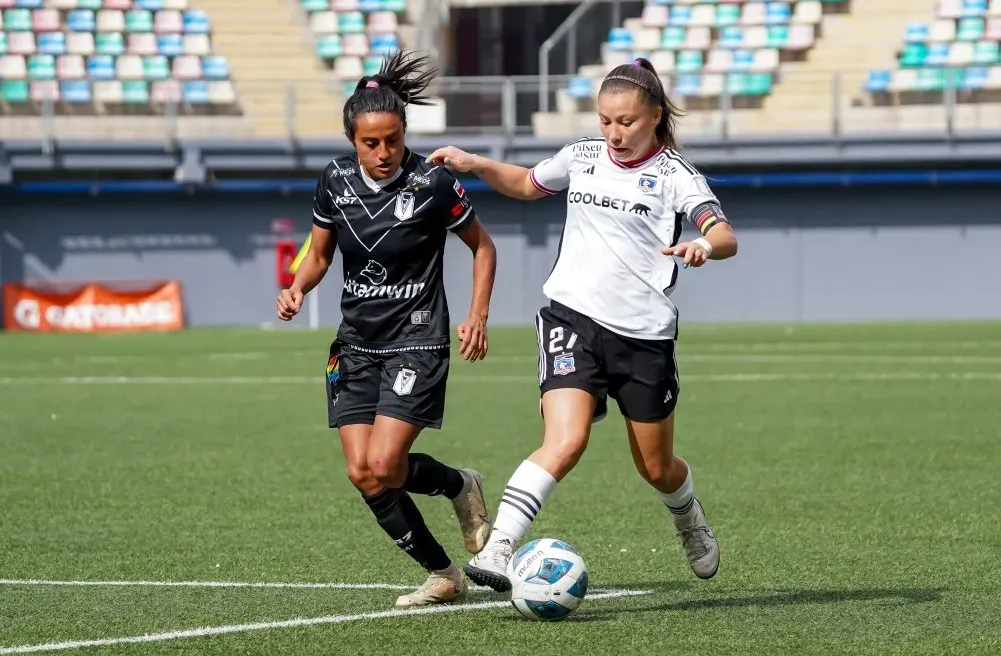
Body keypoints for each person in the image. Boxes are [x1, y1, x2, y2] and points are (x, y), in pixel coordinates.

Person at [428, 58, 738, 592]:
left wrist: (703, 244)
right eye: (606, 120)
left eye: (627, 122)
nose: (615, 133)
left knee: (657, 467)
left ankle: (688, 517)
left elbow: (725, 233)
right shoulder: (582, 156)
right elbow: (527, 183)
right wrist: (476, 163)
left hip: (644, 339)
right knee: (565, 441)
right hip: (571, 319)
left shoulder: (676, 177)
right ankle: (500, 546)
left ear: (656, 117)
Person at [277, 50, 498, 608]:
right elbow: (319, 254)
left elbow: (483, 248)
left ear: (404, 133)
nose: (382, 153)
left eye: (393, 140)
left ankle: (457, 486)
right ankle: (444, 572)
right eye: (370, 143)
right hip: (355, 345)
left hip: (417, 340)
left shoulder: (433, 183)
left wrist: (477, 314)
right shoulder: (334, 181)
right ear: (353, 139)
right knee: (365, 473)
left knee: (384, 463)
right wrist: (298, 286)